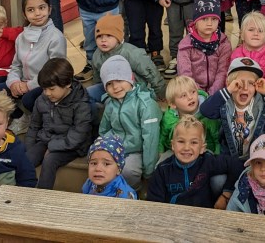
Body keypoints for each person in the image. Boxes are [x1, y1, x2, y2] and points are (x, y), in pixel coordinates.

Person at [200, 57, 265, 160]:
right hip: (228, 158)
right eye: (239, 82)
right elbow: (205, 110)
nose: (245, 88)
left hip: (255, 158)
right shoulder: (224, 103)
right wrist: (228, 89)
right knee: (219, 176)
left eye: (251, 83)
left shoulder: (261, 105)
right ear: (230, 84)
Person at [5, 0, 68, 135]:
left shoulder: (55, 37)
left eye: (42, 8)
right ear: (24, 14)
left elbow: (55, 71)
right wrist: (14, 83)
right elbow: (16, 65)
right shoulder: (21, 37)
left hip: (46, 83)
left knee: (29, 99)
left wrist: (28, 85)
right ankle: (22, 118)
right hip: (23, 82)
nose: (37, 13)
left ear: (50, 9)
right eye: (31, 10)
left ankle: (44, 122)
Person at [147, 115, 244, 208]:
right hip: (173, 217)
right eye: (181, 141)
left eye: (194, 142)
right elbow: (154, 204)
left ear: (202, 148)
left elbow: (238, 165)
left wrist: (226, 194)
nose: (186, 148)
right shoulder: (162, 170)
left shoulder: (207, 161)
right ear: (173, 145)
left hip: (203, 216)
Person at [26, 57, 93, 190]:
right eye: (44, 89)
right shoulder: (42, 99)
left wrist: (53, 146)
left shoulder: (81, 103)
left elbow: (78, 136)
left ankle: (43, 196)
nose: (47, 93)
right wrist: (29, 147)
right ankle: (20, 192)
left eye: (51, 89)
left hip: (72, 146)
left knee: (50, 161)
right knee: (26, 159)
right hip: (47, 139)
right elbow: (34, 125)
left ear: (67, 83)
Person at [98, 54, 162, 190]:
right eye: (109, 84)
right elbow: (103, 130)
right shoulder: (110, 102)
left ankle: (133, 191)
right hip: (116, 147)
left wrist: (149, 172)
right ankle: (107, 191)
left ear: (131, 78)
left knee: (128, 170)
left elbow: (150, 140)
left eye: (119, 80)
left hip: (137, 151)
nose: (115, 87)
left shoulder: (145, 104)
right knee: (95, 159)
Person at [88, 13, 165, 109]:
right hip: (110, 89)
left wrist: (161, 93)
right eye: (99, 36)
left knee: (111, 105)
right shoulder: (97, 55)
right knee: (87, 94)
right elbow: (97, 77)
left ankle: (114, 116)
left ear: (119, 37)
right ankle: (96, 117)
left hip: (134, 91)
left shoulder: (132, 53)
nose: (103, 40)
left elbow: (151, 73)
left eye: (109, 35)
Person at [177, 0, 232, 95]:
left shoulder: (223, 43)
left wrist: (212, 94)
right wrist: (200, 94)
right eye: (204, 19)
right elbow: (185, 73)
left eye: (214, 19)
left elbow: (223, 72)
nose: (209, 23)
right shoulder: (186, 45)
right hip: (192, 91)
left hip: (217, 91)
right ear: (195, 21)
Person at [159, 75, 222, 154]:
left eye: (193, 92)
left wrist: (216, 158)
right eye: (183, 95)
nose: (190, 97)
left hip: (204, 153)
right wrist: (160, 154)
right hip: (177, 153)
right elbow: (162, 139)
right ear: (173, 104)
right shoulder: (169, 118)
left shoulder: (208, 115)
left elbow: (217, 140)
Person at [231, 11, 265, 90]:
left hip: (262, 93)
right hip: (240, 91)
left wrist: (260, 92)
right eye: (251, 30)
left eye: (260, 31)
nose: (256, 33)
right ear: (242, 35)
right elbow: (231, 77)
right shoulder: (236, 54)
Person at [83, 134, 137, 199]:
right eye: (94, 163)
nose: (98, 169)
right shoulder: (89, 183)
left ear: (118, 169)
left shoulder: (124, 195)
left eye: (106, 164)